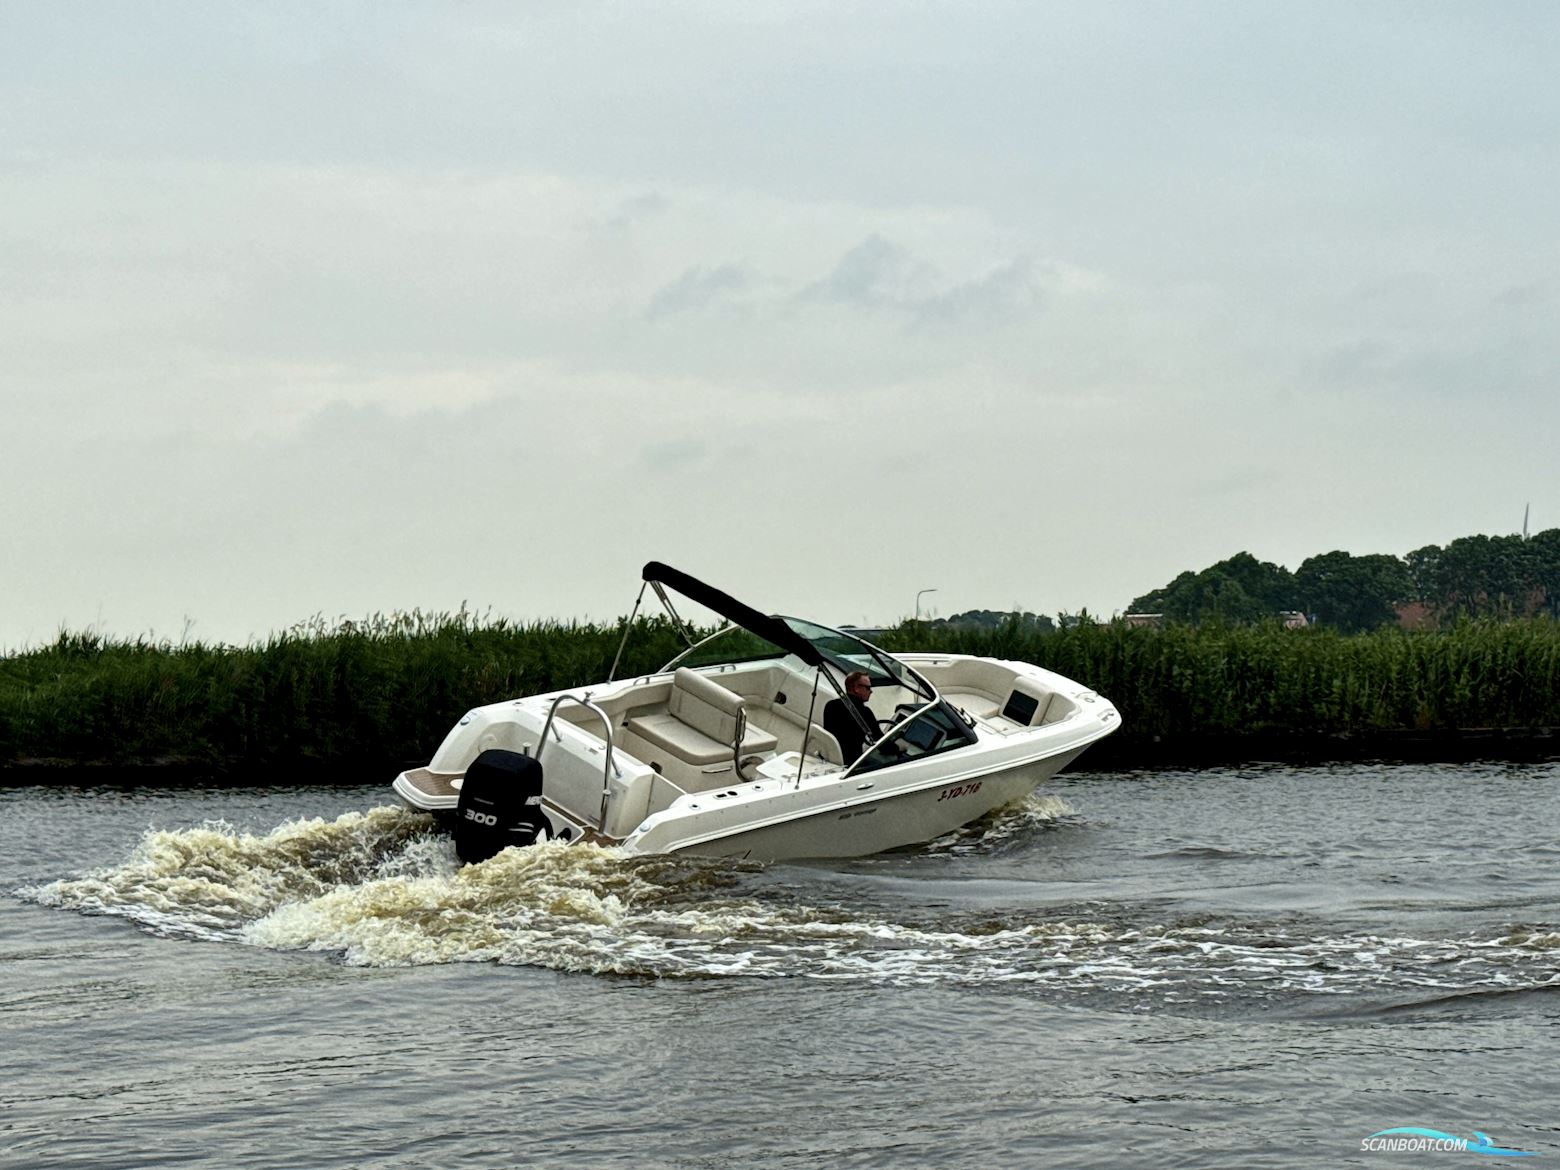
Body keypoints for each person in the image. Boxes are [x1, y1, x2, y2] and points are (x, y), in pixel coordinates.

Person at [824, 671, 877, 762]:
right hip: (852, 762)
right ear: (856, 688)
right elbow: (881, 742)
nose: (871, 691)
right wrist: (897, 748)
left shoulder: (831, 705)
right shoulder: (865, 713)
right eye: (868, 687)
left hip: (830, 756)